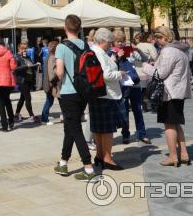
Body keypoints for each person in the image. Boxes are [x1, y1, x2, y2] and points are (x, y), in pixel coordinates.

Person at [53, 15, 96, 181]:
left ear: (65, 28)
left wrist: (55, 74)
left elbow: (60, 72)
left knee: (75, 128)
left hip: (68, 92)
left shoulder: (61, 47)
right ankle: (63, 162)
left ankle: (88, 167)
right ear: (79, 29)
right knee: (70, 127)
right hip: (83, 91)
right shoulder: (86, 45)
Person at [143, 26, 192, 167]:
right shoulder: (181, 50)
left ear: (164, 37)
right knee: (176, 124)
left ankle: (173, 156)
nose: (156, 41)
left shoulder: (168, 51)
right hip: (178, 92)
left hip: (169, 92)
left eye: (158, 38)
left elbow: (161, 74)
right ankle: (184, 154)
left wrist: (146, 66)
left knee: (169, 125)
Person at [90, 28, 126, 170]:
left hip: (98, 94)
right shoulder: (100, 53)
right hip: (107, 94)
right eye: (109, 42)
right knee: (107, 130)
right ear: (103, 41)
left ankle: (100, 156)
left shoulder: (94, 51)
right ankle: (107, 158)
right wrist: (120, 74)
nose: (110, 45)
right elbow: (106, 75)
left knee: (99, 129)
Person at [113, 31, 150, 145]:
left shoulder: (130, 52)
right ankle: (125, 135)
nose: (121, 44)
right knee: (124, 111)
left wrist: (137, 50)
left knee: (137, 110)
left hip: (134, 84)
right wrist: (117, 57)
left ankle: (142, 134)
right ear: (114, 42)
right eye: (118, 41)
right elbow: (112, 67)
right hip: (123, 85)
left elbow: (145, 59)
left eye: (123, 41)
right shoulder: (112, 53)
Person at [14, 43, 38, 123]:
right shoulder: (16, 57)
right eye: (23, 49)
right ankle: (31, 115)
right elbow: (15, 69)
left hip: (29, 80)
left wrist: (36, 65)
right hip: (22, 80)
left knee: (22, 98)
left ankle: (17, 114)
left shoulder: (27, 57)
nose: (24, 50)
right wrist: (26, 66)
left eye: (25, 49)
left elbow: (31, 65)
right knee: (28, 97)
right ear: (19, 49)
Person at [41, 40, 60, 125]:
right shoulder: (53, 57)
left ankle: (44, 118)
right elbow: (52, 72)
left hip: (48, 83)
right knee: (49, 101)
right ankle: (44, 119)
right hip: (51, 83)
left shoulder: (49, 56)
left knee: (49, 100)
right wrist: (58, 74)